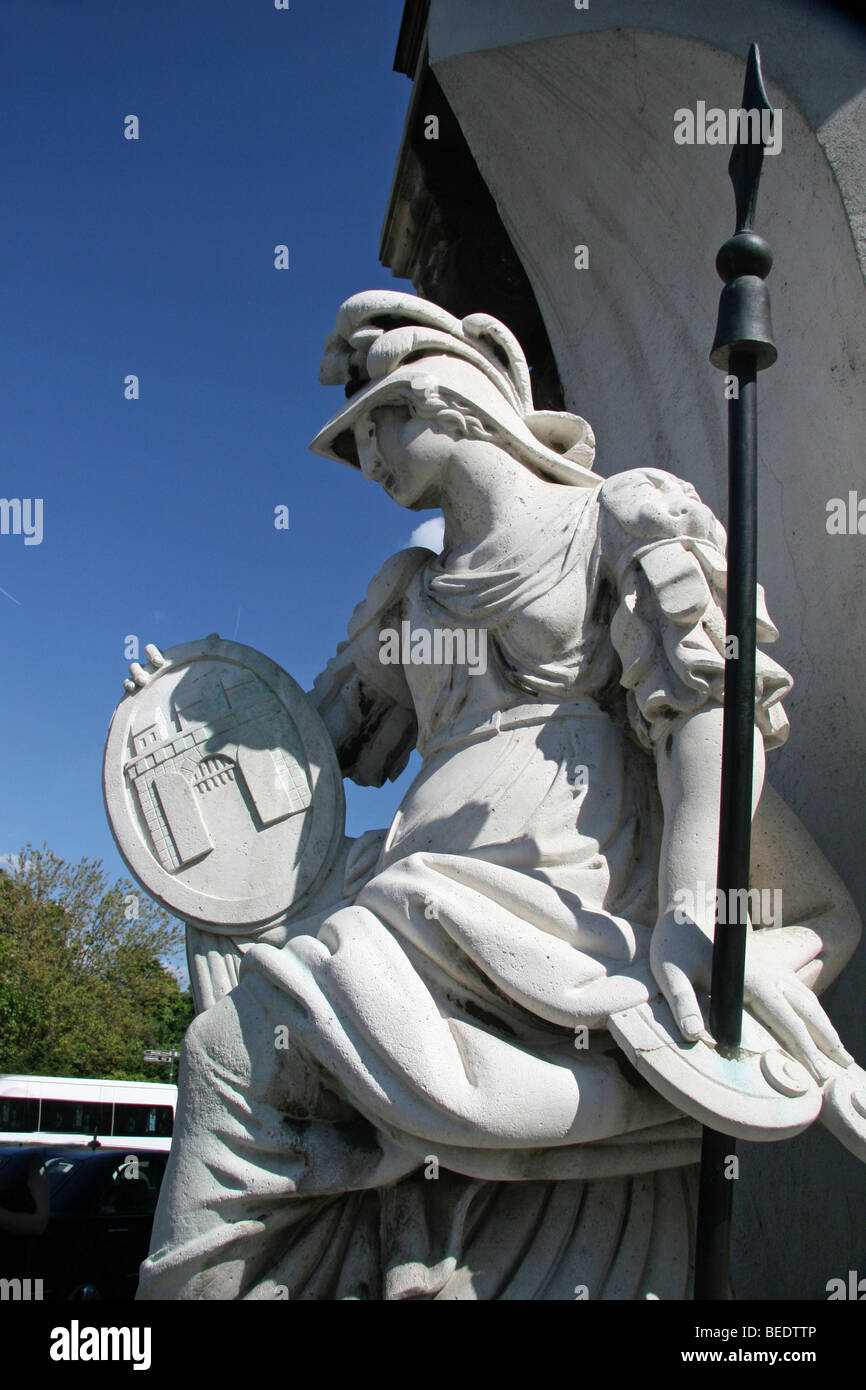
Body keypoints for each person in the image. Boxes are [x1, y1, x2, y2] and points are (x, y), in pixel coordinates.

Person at [138, 292, 862, 1301]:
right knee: (230, 1055)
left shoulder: (619, 515)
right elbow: (310, 746)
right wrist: (184, 715)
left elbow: (705, 708)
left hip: (566, 903)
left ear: (448, 400)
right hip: (415, 895)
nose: (367, 459)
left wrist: (693, 908)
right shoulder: (410, 592)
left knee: (237, 1055)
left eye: (373, 425)